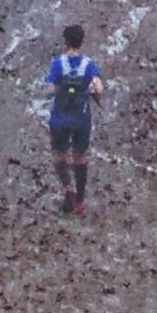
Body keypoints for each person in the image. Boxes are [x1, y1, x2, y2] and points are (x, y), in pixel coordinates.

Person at [45, 22, 104, 215]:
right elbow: (99, 88)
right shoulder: (89, 65)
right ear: (81, 42)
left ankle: (67, 188)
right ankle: (79, 202)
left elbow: (50, 88)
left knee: (59, 155)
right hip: (81, 119)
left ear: (66, 41)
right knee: (80, 157)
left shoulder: (57, 63)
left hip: (60, 119)